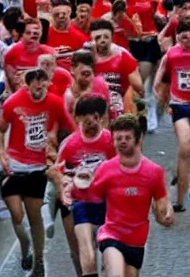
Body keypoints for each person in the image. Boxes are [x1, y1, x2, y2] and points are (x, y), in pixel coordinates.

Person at [0, 68, 76, 276]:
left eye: (43, 83)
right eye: (35, 84)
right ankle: (24, 244)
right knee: (17, 215)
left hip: (37, 168)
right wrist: (1, 152)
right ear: (27, 85)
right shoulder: (14, 102)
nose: (39, 88)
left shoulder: (55, 103)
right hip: (14, 166)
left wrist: (59, 151)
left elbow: (72, 130)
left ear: (47, 83)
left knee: (35, 217)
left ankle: (38, 261)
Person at [91, 114, 173, 277]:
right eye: (118, 138)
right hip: (111, 234)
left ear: (138, 138)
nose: (122, 141)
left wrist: (166, 214)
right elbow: (91, 197)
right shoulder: (105, 169)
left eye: (127, 137)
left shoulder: (154, 172)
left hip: (136, 241)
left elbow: (161, 203)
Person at [52, 96, 116, 277]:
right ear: (78, 119)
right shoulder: (70, 144)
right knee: (86, 252)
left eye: (96, 119)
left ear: (100, 117)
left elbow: (121, 167)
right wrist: (64, 184)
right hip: (82, 203)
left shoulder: (110, 140)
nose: (92, 125)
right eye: (86, 121)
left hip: (107, 203)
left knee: (108, 253)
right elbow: (57, 170)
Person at [154, 21, 190, 211]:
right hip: (178, 103)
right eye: (180, 37)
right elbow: (162, 73)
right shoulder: (172, 53)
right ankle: (182, 196)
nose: (184, 41)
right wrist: (158, 91)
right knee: (185, 143)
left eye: (187, 37)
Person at [90, 19, 143, 120]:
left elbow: (138, 87)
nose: (102, 40)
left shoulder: (123, 56)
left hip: (119, 103)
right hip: (93, 106)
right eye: (97, 38)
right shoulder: (85, 56)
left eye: (106, 37)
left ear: (112, 37)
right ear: (91, 39)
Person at [4, 18, 55, 92]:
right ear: (22, 34)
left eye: (36, 33)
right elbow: (12, 83)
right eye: (28, 33)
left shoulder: (50, 53)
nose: (32, 36)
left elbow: (52, 78)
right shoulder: (12, 53)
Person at [64, 50, 111, 119]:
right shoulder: (68, 96)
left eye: (88, 73)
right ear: (72, 69)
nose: (86, 77)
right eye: (83, 73)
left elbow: (105, 119)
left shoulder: (100, 84)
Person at [47, 0, 88, 69]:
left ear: (70, 14)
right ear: (52, 15)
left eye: (64, 14)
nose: (60, 17)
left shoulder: (80, 37)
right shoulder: (43, 36)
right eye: (57, 14)